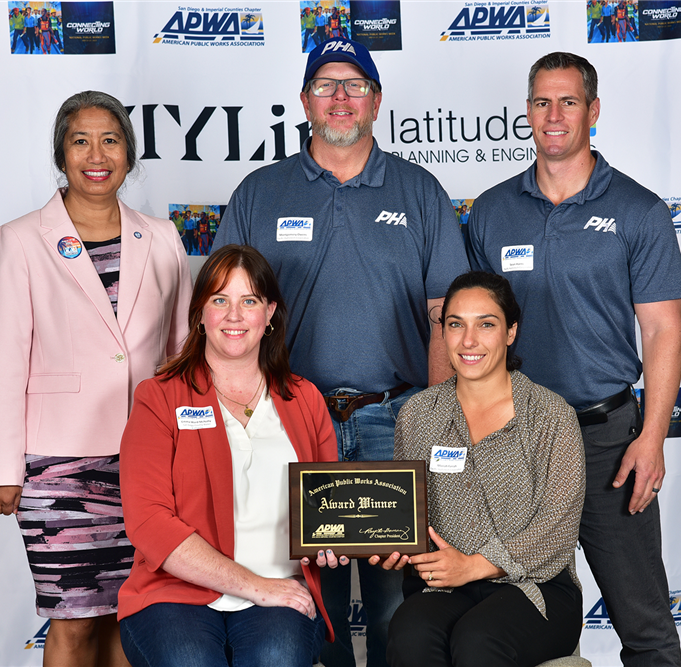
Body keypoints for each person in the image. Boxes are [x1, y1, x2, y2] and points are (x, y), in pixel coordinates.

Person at [214, 37, 469, 667]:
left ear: (378, 102)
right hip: (291, 417)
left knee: (394, 597)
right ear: (304, 101)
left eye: (355, 85)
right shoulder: (260, 192)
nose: (340, 97)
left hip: (396, 416)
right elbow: (223, 311)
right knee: (308, 597)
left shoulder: (419, 191)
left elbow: (445, 316)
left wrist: (435, 418)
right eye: (326, 85)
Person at [466, 52, 681, 666]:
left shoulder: (639, 212)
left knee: (643, 621)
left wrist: (651, 439)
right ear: (527, 113)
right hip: (512, 440)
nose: (554, 115)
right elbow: (472, 332)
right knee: (508, 617)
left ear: (593, 111)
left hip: (606, 441)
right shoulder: (490, 211)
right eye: (541, 102)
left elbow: (663, 330)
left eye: (568, 101)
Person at [0, 90, 192, 667]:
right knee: (72, 622)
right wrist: (1, 469)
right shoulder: (19, 240)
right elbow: (2, 359)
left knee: (132, 614)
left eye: (111, 139)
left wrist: (191, 452)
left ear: (129, 153)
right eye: (80, 140)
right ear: (61, 154)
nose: (96, 154)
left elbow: (181, 357)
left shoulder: (163, 238)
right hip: (56, 469)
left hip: (149, 463)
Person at [116, 245, 337, 667]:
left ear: (269, 313)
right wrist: (255, 585)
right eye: (220, 300)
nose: (234, 316)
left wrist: (335, 542)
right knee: (189, 660)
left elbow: (326, 505)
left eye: (249, 301)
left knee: (276, 657)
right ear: (200, 313)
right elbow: (150, 523)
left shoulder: (304, 398)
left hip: (280, 588)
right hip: (174, 592)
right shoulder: (159, 397)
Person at [370, 271, 585, 667]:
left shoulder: (552, 415)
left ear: (510, 331)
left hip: (535, 586)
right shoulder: (417, 415)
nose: (469, 341)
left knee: (478, 641)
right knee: (409, 633)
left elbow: (558, 525)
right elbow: (407, 515)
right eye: (456, 325)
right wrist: (393, 544)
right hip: (444, 589)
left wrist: (475, 565)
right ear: (443, 332)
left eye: (486, 324)